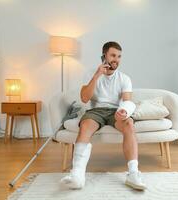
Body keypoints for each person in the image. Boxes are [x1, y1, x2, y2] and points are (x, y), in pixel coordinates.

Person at [61, 41, 146, 191]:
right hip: (96, 111)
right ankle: (77, 175)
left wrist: (124, 111)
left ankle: (133, 174)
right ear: (104, 56)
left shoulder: (124, 78)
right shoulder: (90, 74)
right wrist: (97, 75)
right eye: (113, 55)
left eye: (119, 56)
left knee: (129, 124)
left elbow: (127, 101)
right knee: (85, 125)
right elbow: (85, 98)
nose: (116, 60)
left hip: (116, 111)